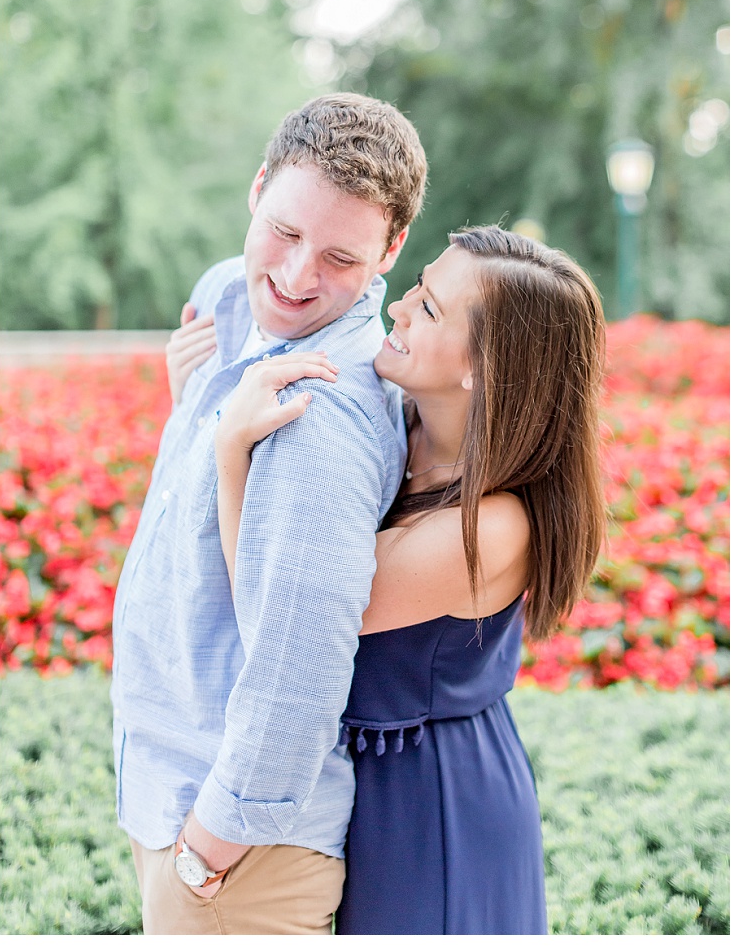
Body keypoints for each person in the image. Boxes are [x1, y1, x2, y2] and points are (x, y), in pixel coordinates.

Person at [212, 226, 606, 933]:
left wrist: (230, 452)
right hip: (365, 780)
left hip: (433, 804)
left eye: (427, 308)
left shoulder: (491, 528)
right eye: (418, 288)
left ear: (484, 367)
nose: (396, 309)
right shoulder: (400, 426)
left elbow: (283, 607)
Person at [110, 93, 427, 934]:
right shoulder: (228, 304)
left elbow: (303, 658)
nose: (295, 279)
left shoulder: (313, 411)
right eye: (284, 233)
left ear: (393, 248)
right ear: (257, 189)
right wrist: (196, 411)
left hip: (238, 857)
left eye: (339, 258)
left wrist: (206, 848)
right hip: (176, 801)